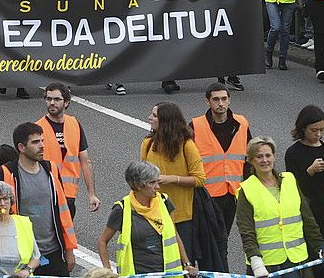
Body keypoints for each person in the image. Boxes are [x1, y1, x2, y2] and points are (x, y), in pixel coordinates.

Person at [236, 136, 324, 278]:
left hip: (297, 259)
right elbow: (246, 231)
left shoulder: (290, 180)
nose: (265, 160)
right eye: (259, 157)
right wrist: (256, 263)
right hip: (268, 265)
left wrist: (320, 244)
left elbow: (307, 217)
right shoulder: (246, 190)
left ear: (274, 157)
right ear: (251, 160)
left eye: (268, 155)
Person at [98, 160, 197, 277]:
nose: (158, 187)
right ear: (139, 185)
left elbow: (174, 234)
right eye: (152, 183)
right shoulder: (122, 209)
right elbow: (102, 242)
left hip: (168, 274)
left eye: (157, 181)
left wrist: (186, 263)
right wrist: (107, 271)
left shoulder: (164, 202)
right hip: (137, 274)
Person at [5, 121, 78, 276]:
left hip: (53, 251)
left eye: (42, 141)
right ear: (21, 147)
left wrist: (69, 249)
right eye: (36, 142)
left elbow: (63, 211)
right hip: (23, 255)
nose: (42, 146)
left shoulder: (50, 169)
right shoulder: (6, 174)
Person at [191, 83, 250, 266]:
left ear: (229, 100)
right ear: (207, 102)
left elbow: (248, 159)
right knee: (219, 242)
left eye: (224, 99)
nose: (221, 103)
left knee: (217, 242)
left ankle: (211, 270)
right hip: (207, 196)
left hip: (232, 194)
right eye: (216, 99)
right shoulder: (196, 126)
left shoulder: (241, 124)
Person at [141, 102, 205, 250]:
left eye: (155, 115)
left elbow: (200, 179)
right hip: (153, 215)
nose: (149, 118)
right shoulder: (148, 143)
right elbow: (141, 174)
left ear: (166, 121)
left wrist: (172, 179)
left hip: (181, 217)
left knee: (182, 262)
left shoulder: (187, 145)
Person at [285, 105, 324, 278]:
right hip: (308, 213)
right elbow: (293, 188)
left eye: (321, 130)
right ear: (303, 128)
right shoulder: (293, 152)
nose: (318, 134)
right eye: (314, 130)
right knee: (313, 262)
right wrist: (310, 171)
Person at [37, 82, 100, 218]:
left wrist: (91, 194)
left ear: (66, 102)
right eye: (49, 99)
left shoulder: (75, 125)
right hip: (46, 193)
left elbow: (85, 162)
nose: (52, 103)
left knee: (66, 234)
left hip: (69, 194)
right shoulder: (37, 128)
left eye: (57, 99)